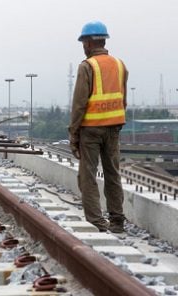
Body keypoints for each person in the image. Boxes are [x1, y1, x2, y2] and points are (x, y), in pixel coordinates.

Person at [69, 21, 129, 233]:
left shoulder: (87, 67)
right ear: (104, 40)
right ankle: (117, 220)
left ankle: (97, 222)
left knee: (88, 175)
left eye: (83, 42)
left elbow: (79, 104)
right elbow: (123, 100)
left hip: (91, 129)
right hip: (114, 128)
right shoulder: (120, 65)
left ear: (87, 43)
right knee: (113, 173)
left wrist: (73, 133)